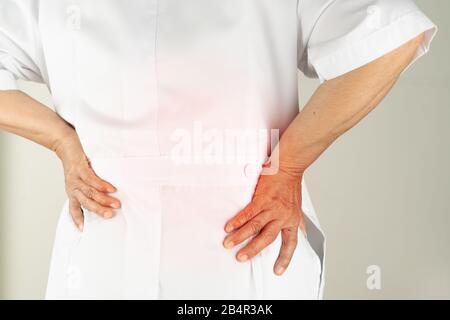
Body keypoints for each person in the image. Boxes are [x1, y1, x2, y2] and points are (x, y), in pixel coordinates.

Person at [0, 0, 437, 299]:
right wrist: (61, 140)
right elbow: (390, 32)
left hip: (228, 252)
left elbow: (392, 34)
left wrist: (289, 167)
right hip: (122, 254)